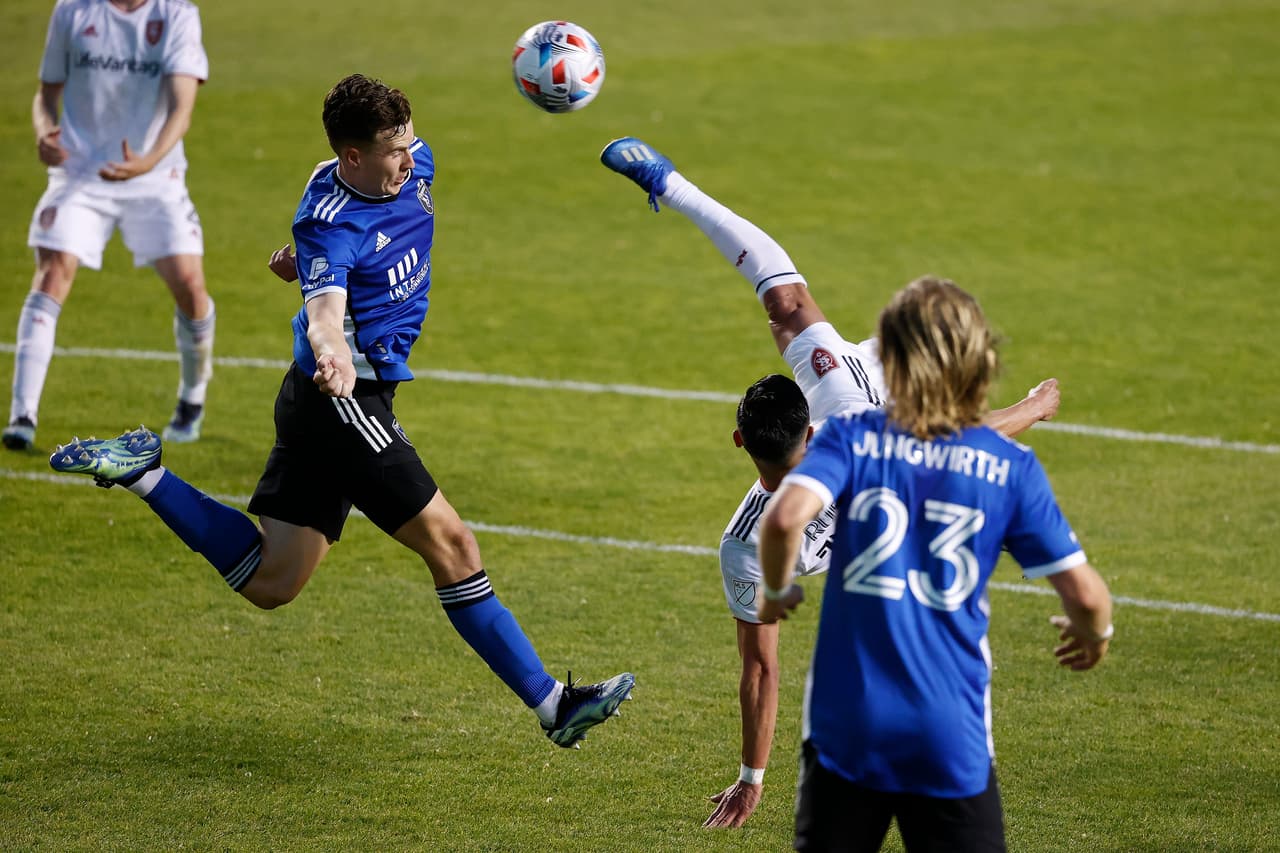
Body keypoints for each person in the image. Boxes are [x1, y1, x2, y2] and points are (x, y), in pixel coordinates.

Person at [49, 73, 633, 749]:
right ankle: (553, 705)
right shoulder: (332, 224)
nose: (409, 161)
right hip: (340, 400)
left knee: (272, 580)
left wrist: (302, 265)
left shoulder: (402, 166)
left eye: (409, 143)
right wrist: (334, 351)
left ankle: (143, 471)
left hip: (316, 402)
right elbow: (325, 313)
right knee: (454, 544)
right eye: (392, 151)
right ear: (354, 158)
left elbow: (339, 220)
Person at [600, 137, 1061, 828]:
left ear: (739, 442)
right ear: (809, 433)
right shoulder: (854, 429)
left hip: (894, 389)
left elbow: (760, 668)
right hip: (940, 693)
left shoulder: (748, 540)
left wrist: (752, 776)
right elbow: (785, 295)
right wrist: (1030, 407)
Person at [756, 277, 1113, 851]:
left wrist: (775, 592)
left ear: (890, 360)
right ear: (977, 362)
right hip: (948, 734)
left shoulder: (849, 437)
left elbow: (781, 521)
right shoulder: (1009, 467)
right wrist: (1094, 635)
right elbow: (1090, 599)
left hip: (848, 729)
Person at [4, 0, 217, 451]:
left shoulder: (176, 14)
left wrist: (148, 162)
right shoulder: (72, 12)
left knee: (190, 285)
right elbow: (46, 94)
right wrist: (44, 130)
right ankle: (23, 414)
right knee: (53, 271)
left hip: (155, 176)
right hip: (81, 174)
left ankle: (192, 397)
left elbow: (182, 107)